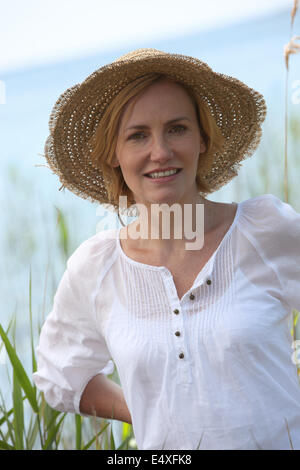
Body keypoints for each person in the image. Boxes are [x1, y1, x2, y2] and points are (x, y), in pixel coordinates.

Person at [32, 48, 300, 450]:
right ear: (113, 155)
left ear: (203, 139)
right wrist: (147, 409)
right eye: (137, 135)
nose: (160, 152)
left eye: (177, 128)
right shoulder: (97, 267)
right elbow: (60, 376)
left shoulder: (265, 231)